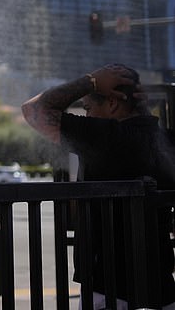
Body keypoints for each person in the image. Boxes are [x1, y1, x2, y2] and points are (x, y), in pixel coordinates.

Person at [21, 63, 175, 309]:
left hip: (109, 290)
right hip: (163, 288)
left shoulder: (105, 138)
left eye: (88, 108)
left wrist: (91, 82)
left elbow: (33, 110)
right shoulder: (166, 141)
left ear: (112, 103)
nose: (87, 116)